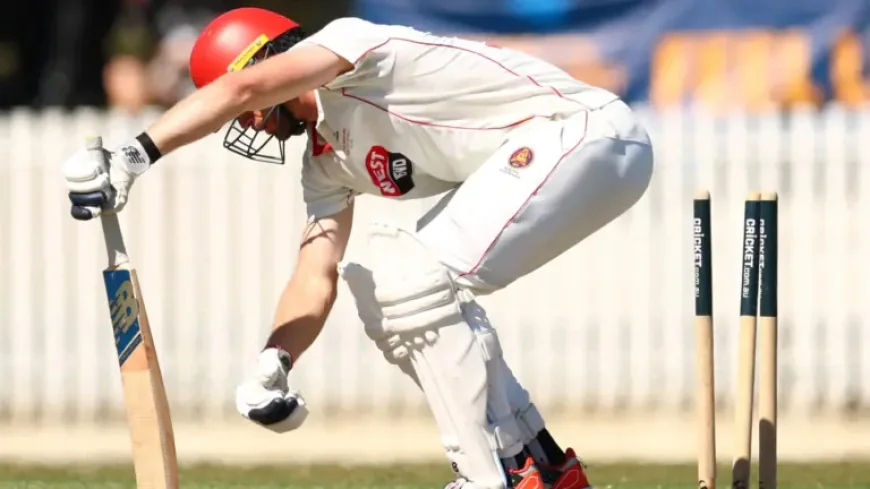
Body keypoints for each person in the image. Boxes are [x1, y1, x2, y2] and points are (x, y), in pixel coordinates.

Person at [62, 7, 654, 489]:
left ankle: (485, 475)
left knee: (415, 274)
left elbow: (244, 85)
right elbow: (316, 271)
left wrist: (132, 155)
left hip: (587, 133)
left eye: (240, 107)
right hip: (558, 157)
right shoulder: (327, 162)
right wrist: (275, 361)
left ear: (269, 62)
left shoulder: (352, 46)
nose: (244, 118)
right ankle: (535, 461)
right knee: (383, 281)